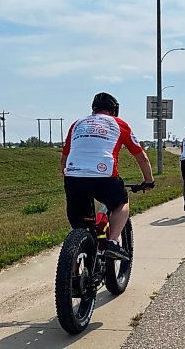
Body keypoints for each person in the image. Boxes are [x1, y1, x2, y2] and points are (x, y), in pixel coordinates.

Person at [60, 92, 155, 260]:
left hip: (73, 177)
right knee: (121, 203)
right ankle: (112, 242)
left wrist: (71, 177)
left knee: (81, 228)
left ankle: (77, 267)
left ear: (94, 109)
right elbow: (141, 157)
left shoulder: (77, 124)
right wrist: (149, 181)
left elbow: (64, 159)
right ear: (114, 111)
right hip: (104, 177)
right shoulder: (119, 124)